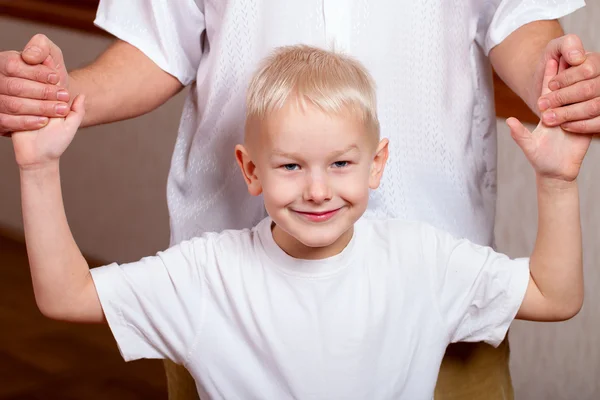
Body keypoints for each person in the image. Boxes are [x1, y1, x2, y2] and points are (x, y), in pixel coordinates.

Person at [1, 1, 599, 398]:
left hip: (435, 289)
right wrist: (52, 111)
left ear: (376, 162)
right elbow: (157, 43)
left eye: (341, 163)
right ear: (251, 168)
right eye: (293, 166)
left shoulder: (429, 266)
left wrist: (559, 104)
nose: (318, 189)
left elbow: (519, 18)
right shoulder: (208, 279)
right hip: (229, 300)